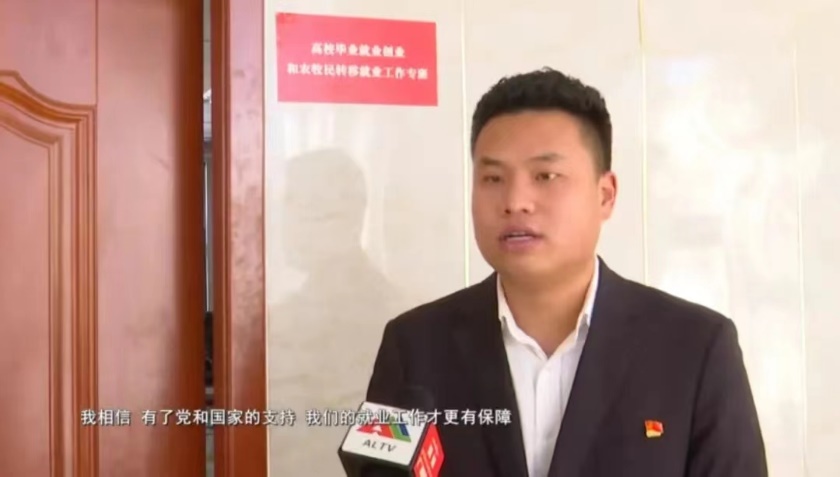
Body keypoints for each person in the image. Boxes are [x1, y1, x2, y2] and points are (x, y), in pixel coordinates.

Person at [364, 67, 767, 477]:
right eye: (493, 178)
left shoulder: (696, 349)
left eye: (546, 176)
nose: (516, 201)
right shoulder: (412, 348)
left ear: (605, 195)